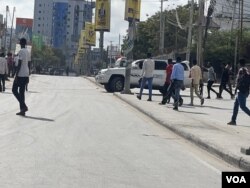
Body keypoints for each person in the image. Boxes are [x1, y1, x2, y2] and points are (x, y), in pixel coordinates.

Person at [227, 59, 250, 125]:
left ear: (239, 64)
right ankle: (233, 120)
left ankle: (233, 120)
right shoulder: (246, 70)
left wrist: (236, 89)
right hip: (244, 90)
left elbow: (239, 81)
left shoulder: (241, 70)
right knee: (236, 105)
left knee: (242, 106)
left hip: (241, 91)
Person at [12, 38, 31, 116]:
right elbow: (29, 63)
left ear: (21, 43)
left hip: (20, 74)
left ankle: (23, 106)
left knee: (14, 90)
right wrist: (28, 74)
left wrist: (16, 75)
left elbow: (19, 64)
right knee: (21, 92)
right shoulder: (27, 51)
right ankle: (22, 109)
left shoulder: (20, 51)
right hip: (26, 73)